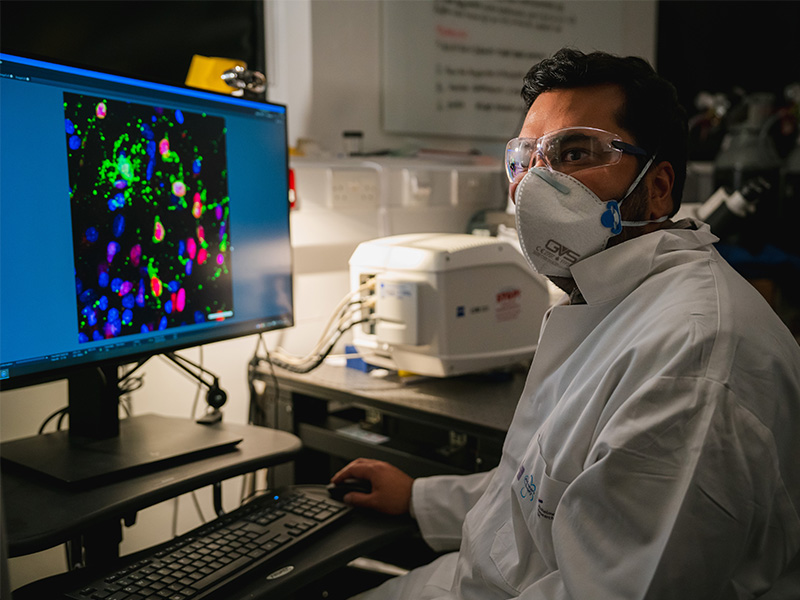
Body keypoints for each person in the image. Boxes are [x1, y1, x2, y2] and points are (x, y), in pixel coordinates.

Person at [332, 48, 800, 599]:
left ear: (658, 187)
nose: (535, 184)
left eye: (575, 153)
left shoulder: (694, 359)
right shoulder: (609, 298)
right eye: (525, 159)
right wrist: (420, 498)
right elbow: (546, 483)